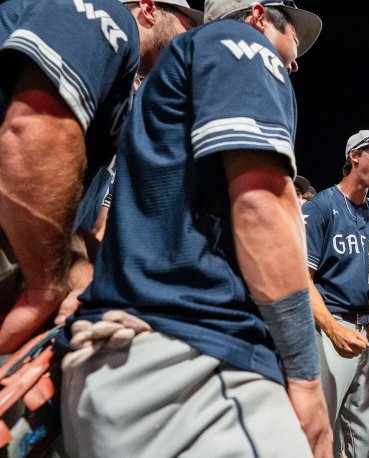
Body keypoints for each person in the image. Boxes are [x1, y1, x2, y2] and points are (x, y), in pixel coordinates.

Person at [58, 1, 331, 456]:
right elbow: (262, 205)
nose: (296, 60)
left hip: (135, 361)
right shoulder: (236, 40)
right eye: (293, 38)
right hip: (192, 365)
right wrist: (305, 377)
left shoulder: (165, 86)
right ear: (258, 16)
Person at [0, 0, 200, 354]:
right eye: (188, 26)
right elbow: (35, 131)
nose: (191, 44)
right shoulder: (110, 16)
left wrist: (88, 274)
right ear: (149, 9)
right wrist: (46, 285)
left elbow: (66, 220)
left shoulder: (122, 91)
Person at [302, 129, 369, 457]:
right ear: (354, 156)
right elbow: (302, 280)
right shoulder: (320, 207)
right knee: (321, 434)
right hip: (327, 327)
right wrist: (332, 330)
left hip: (366, 335)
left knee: (367, 438)